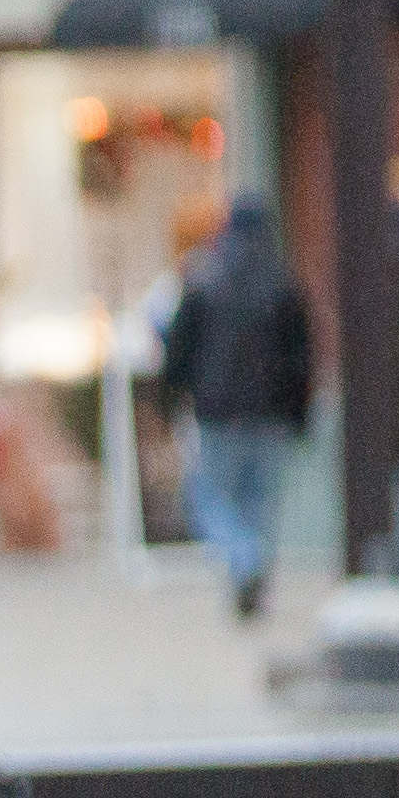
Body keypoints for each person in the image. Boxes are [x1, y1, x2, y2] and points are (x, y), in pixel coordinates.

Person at [156, 194, 318, 620]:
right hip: (271, 414)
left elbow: (178, 347)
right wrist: (301, 414)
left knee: (206, 499)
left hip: (219, 412)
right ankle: (251, 573)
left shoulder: (206, 280)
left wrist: (172, 396)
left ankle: (244, 563)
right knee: (257, 501)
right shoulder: (283, 283)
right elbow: (303, 358)